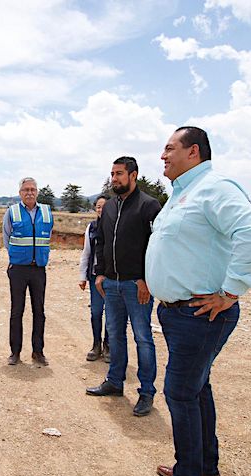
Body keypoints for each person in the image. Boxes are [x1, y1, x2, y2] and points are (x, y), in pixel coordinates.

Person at [146, 126, 251, 476]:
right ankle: (205, 470)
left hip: (201, 314)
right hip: (178, 313)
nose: (162, 156)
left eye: (169, 149)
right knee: (197, 390)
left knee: (180, 393)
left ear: (193, 151)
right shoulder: (182, 192)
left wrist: (231, 292)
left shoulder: (215, 187)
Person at [85, 156, 161, 417]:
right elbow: (102, 242)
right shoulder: (109, 207)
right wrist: (100, 274)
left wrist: (146, 279)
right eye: (112, 173)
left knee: (142, 338)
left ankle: (147, 392)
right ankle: (115, 382)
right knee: (115, 334)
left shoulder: (149, 206)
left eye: (119, 173)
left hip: (136, 285)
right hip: (111, 284)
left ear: (133, 175)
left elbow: (156, 248)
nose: (114, 178)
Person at [2, 177, 54, 366]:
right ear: (20, 193)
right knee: (17, 310)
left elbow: (47, 236)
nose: (29, 192)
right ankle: (15, 352)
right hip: (18, 269)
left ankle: (38, 351)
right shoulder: (12, 212)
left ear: (37, 192)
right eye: (25, 190)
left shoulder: (47, 212)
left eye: (32, 189)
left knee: (39, 311)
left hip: (38, 269)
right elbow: (6, 237)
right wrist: (17, 256)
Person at [78, 195, 110, 362]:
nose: (100, 209)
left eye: (104, 206)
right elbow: (86, 253)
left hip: (112, 278)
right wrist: (82, 276)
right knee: (96, 311)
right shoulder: (91, 228)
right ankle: (96, 344)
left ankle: (108, 346)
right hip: (94, 276)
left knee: (111, 314)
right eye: (98, 206)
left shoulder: (115, 226)